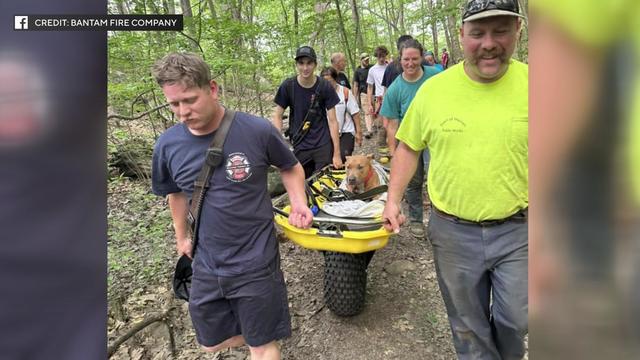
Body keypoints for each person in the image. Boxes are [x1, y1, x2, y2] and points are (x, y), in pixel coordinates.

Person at [382, 1, 528, 359]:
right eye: (478, 33)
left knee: (516, 319)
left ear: (518, 33)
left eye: (501, 31)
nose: (489, 43)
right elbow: (408, 147)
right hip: (452, 233)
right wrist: (393, 199)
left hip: (520, 230)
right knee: (467, 325)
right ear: (462, 37)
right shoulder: (434, 91)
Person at [150, 52, 313, 359]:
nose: (182, 112)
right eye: (174, 104)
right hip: (207, 262)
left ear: (212, 89)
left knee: (262, 345)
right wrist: (181, 236)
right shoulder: (167, 145)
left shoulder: (257, 130)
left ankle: (259, 336)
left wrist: (298, 203)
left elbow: (290, 167)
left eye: (189, 100)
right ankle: (252, 331)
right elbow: (176, 193)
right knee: (210, 342)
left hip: (256, 261)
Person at [379, 39, 440, 238]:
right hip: (409, 141)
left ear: (421, 57)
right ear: (400, 60)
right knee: (413, 182)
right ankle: (416, 220)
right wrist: (393, 152)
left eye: (415, 58)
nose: (410, 63)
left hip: (436, 136)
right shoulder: (395, 89)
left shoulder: (436, 77)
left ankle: (439, 220)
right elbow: (392, 126)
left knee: (436, 177)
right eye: (406, 59)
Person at [272, 46, 342, 178]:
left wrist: (336, 154)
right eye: (301, 63)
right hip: (299, 143)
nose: (305, 68)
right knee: (301, 184)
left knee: (323, 183)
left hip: (323, 143)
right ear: (297, 65)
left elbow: (333, 121)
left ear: (315, 64)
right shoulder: (288, 86)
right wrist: (278, 142)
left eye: (309, 63)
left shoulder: (325, 86)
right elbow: (277, 116)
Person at [320, 66, 362, 162]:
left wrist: (358, 132)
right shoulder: (320, 94)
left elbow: (355, 113)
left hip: (346, 131)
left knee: (343, 156)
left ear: (335, 79)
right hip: (328, 132)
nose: (327, 85)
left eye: (330, 81)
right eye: (324, 82)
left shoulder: (345, 92)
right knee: (328, 159)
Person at [365, 46, 388, 138]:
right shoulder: (372, 70)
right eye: (380, 56)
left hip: (390, 97)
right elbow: (369, 87)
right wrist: (370, 103)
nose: (382, 58)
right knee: (380, 122)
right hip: (379, 99)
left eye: (383, 56)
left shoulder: (389, 67)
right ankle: (382, 144)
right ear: (376, 57)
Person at [352, 52, 373, 138]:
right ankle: (369, 130)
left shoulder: (372, 68)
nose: (367, 61)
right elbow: (356, 85)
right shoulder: (357, 71)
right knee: (367, 112)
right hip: (364, 93)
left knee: (375, 111)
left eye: (368, 59)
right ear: (361, 60)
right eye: (365, 60)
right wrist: (354, 97)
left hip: (374, 93)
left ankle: (374, 127)